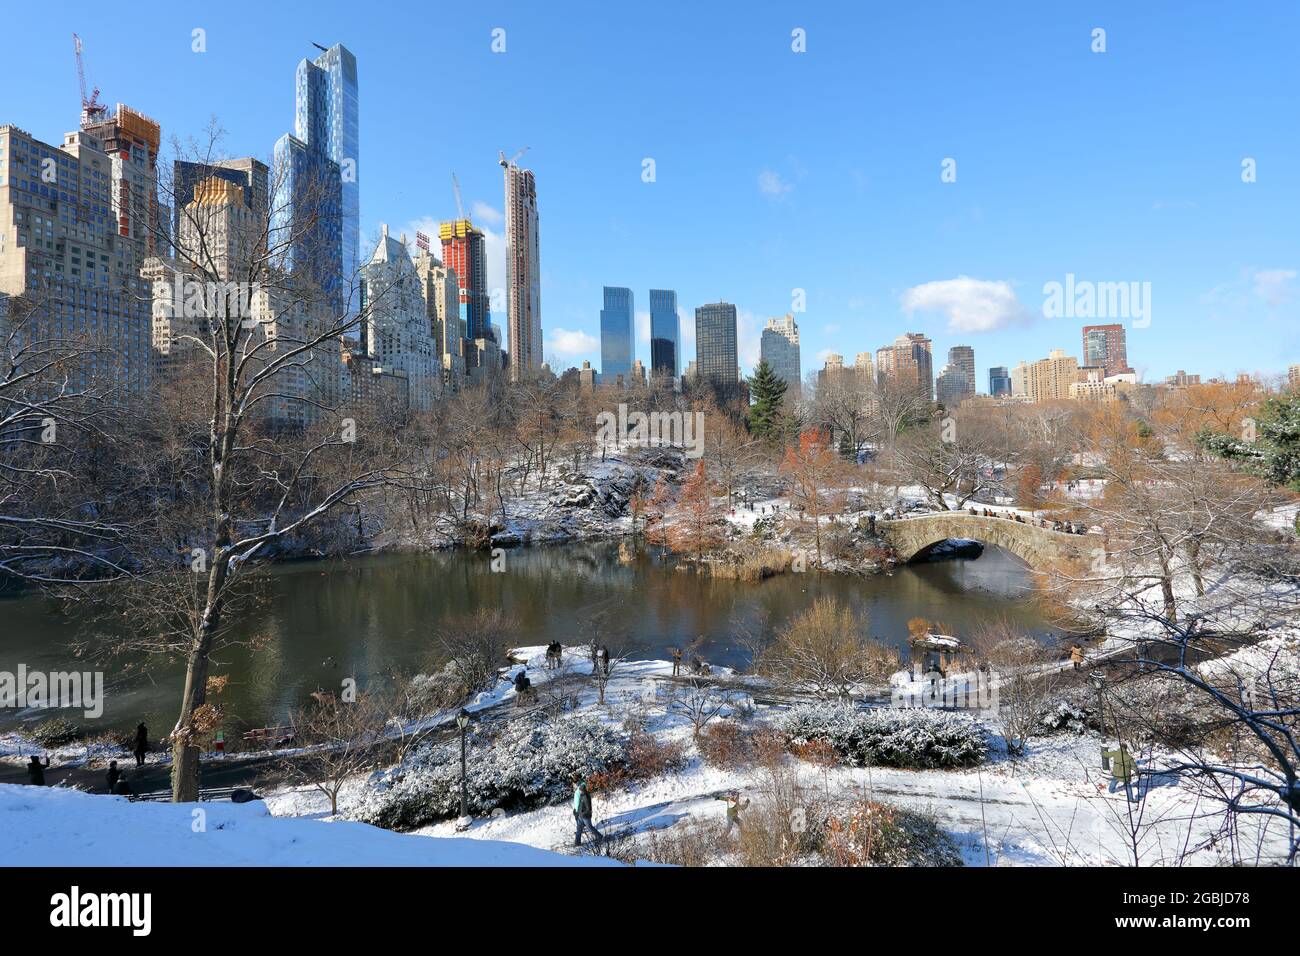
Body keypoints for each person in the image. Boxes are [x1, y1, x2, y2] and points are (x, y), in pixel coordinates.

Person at [572, 779, 603, 847]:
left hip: (586, 816)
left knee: (590, 828)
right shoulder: (582, 795)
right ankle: (577, 843)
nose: (579, 790)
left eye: (579, 789)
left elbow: (588, 808)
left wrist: (582, 814)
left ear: (582, 789)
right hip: (581, 815)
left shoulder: (586, 796)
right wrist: (576, 812)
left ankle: (600, 837)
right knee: (579, 829)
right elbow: (579, 805)